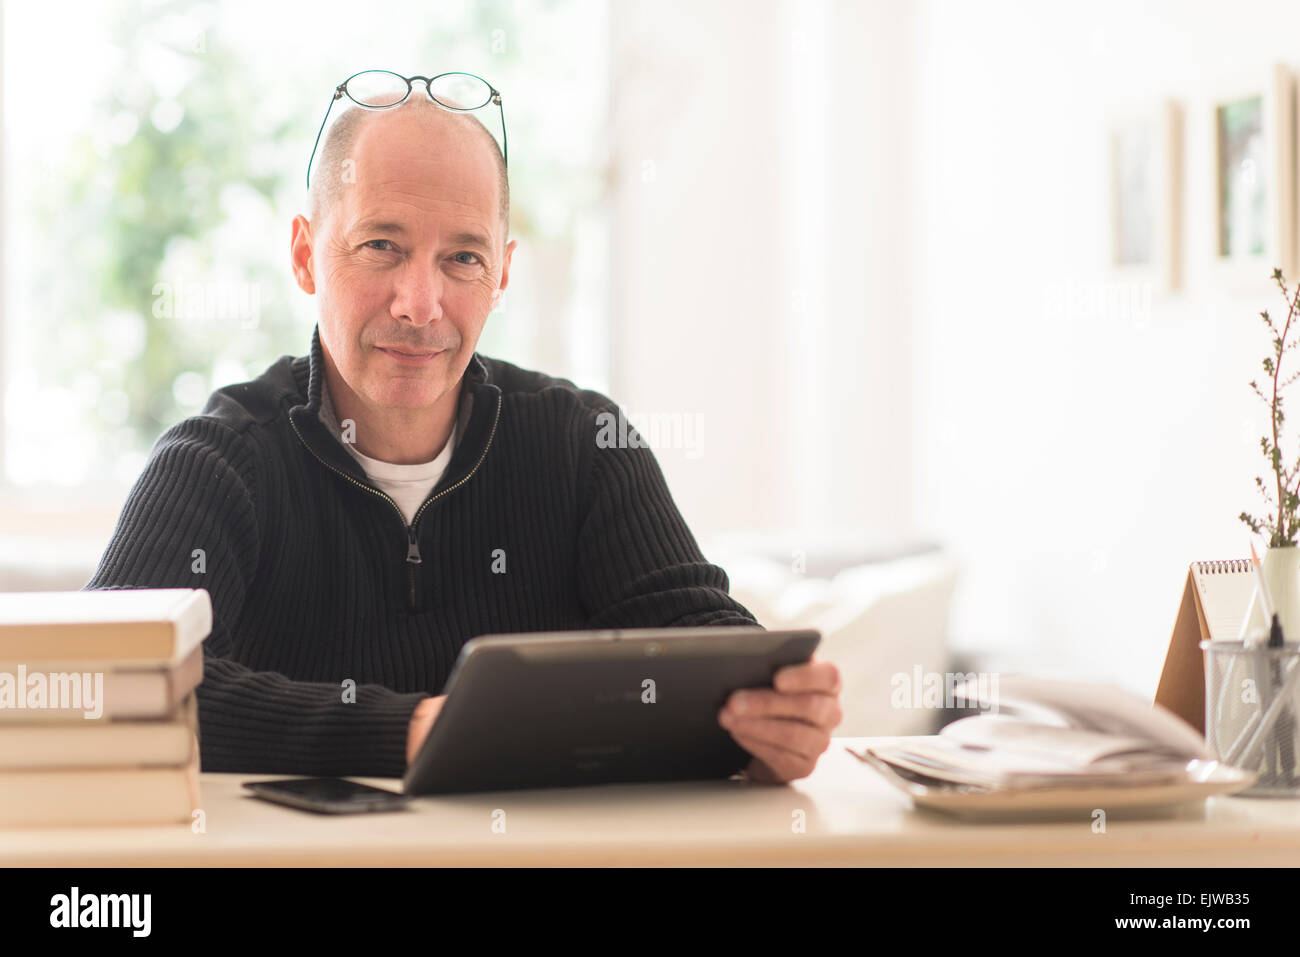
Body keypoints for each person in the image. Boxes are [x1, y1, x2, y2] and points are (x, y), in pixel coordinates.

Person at [86, 80, 842, 784]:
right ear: (304, 254)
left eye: (463, 257)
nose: (421, 303)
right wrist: (408, 729)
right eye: (382, 244)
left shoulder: (582, 444)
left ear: (502, 274)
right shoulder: (218, 461)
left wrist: (769, 720)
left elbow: (701, 643)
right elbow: (113, 683)